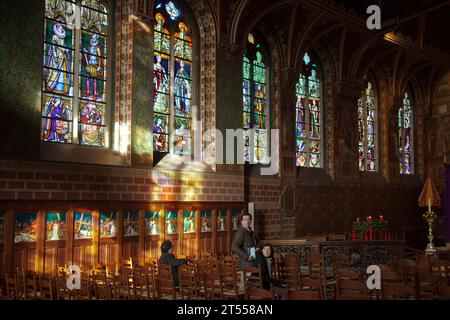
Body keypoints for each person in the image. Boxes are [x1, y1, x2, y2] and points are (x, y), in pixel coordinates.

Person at [232, 212, 271, 290]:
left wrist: (264, 247)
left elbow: (259, 243)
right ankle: (266, 288)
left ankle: (266, 289)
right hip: (247, 262)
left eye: (249, 219)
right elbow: (234, 247)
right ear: (241, 221)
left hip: (254, 259)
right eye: (245, 219)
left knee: (266, 263)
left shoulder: (251, 232)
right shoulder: (241, 232)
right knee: (263, 265)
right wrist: (247, 257)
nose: (247, 221)